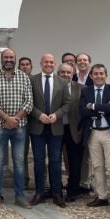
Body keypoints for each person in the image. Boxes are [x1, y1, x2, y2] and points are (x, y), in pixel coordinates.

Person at [0, 48, 34, 209]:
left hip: (20, 126)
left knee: (20, 162)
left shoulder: (23, 77)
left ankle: (20, 196)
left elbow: (29, 102)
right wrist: (6, 118)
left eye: (11, 57)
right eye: (5, 57)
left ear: (15, 59)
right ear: (1, 59)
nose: (8, 59)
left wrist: (15, 119)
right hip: (0, 126)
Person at [80, 64, 110, 213]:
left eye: (101, 74)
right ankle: (101, 196)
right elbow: (82, 111)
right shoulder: (85, 91)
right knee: (97, 166)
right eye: (96, 74)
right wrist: (104, 107)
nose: (99, 76)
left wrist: (92, 106)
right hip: (93, 133)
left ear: (106, 75)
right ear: (91, 76)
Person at [28, 53, 70, 207]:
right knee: (38, 161)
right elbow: (28, 102)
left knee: (55, 161)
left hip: (55, 127)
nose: (49, 64)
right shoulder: (32, 80)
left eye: (51, 62)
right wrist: (38, 115)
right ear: (41, 63)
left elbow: (67, 103)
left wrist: (57, 115)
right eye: (46, 62)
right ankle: (39, 192)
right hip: (37, 127)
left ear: (55, 64)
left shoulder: (62, 82)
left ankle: (57, 193)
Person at [59, 62, 87, 201]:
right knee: (55, 160)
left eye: (68, 72)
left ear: (73, 74)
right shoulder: (53, 88)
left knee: (75, 161)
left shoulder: (82, 89)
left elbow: (85, 110)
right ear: (59, 74)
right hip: (56, 129)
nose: (65, 75)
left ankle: (73, 190)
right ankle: (56, 189)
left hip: (75, 130)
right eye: (62, 72)